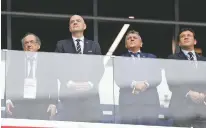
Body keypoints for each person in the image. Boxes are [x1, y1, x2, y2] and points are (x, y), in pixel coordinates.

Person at [55, 15, 104, 122]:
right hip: (69, 95)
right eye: (72, 22)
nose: (75, 23)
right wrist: (70, 83)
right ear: (69, 28)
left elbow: (99, 67)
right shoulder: (61, 45)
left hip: (90, 95)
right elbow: (58, 66)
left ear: (84, 26)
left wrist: (91, 83)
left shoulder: (94, 45)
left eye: (78, 21)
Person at [6, 33, 58, 120]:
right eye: (26, 43)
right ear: (23, 47)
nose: (29, 45)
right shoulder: (16, 61)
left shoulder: (47, 61)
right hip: (19, 104)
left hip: (40, 105)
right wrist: (8, 99)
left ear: (38, 46)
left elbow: (52, 83)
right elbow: (9, 80)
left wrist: (53, 103)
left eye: (31, 42)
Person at [114, 30, 161, 125]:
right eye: (129, 38)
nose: (131, 39)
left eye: (134, 38)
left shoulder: (151, 57)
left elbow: (157, 77)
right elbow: (119, 79)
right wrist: (135, 84)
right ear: (126, 45)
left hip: (149, 103)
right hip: (128, 103)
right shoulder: (119, 59)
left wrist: (145, 84)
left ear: (141, 44)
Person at [167, 28, 206, 127]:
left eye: (189, 35)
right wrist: (190, 93)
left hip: (202, 107)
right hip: (180, 106)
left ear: (195, 41)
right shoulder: (172, 59)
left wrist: (204, 94)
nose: (186, 37)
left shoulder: (204, 60)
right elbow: (172, 81)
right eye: (183, 36)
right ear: (179, 43)